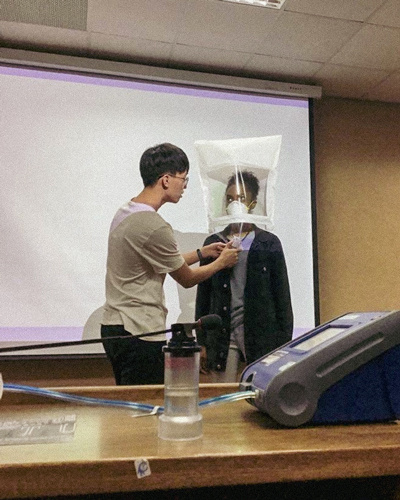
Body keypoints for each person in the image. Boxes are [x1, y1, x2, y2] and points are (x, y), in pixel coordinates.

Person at [101, 143, 240, 385]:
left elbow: (163, 261)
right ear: (166, 179)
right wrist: (220, 263)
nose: (184, 187)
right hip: (138, 331)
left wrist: (201, 252)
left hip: (116, 326)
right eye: (183, 179)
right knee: (145, 409)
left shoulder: (126, 211)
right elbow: (186, 279)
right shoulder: (153, 225)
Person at [195, 170, 293, 382]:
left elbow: (282, 296)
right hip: (222, 335)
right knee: (222, 392)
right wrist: (201, 343)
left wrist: (285, 342)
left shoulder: (269, 243)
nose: (234, 203)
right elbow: (203, 296)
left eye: (241, 199)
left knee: (260, 391)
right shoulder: (215, 242)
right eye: (230, 198)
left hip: (260, 334)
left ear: (253, 203)